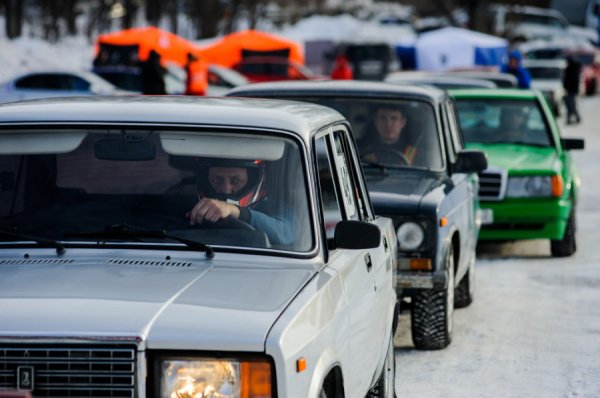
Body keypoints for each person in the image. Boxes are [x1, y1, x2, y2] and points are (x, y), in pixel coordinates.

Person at [186, 157, 292, 245]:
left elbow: (286, 233)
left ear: (253, 180)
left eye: (236, 181)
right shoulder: (191, 206)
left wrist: (236, 211)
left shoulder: (275, 207)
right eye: (216, 180)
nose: (226, 190)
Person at [563, 56, 582, 124]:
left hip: (572, 91)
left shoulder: (572, 70)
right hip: (570, 90)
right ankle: (571, 118)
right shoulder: (570, 70)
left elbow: (573, 81)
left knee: (572, 105)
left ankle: (576, 118)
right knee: (569, 105)